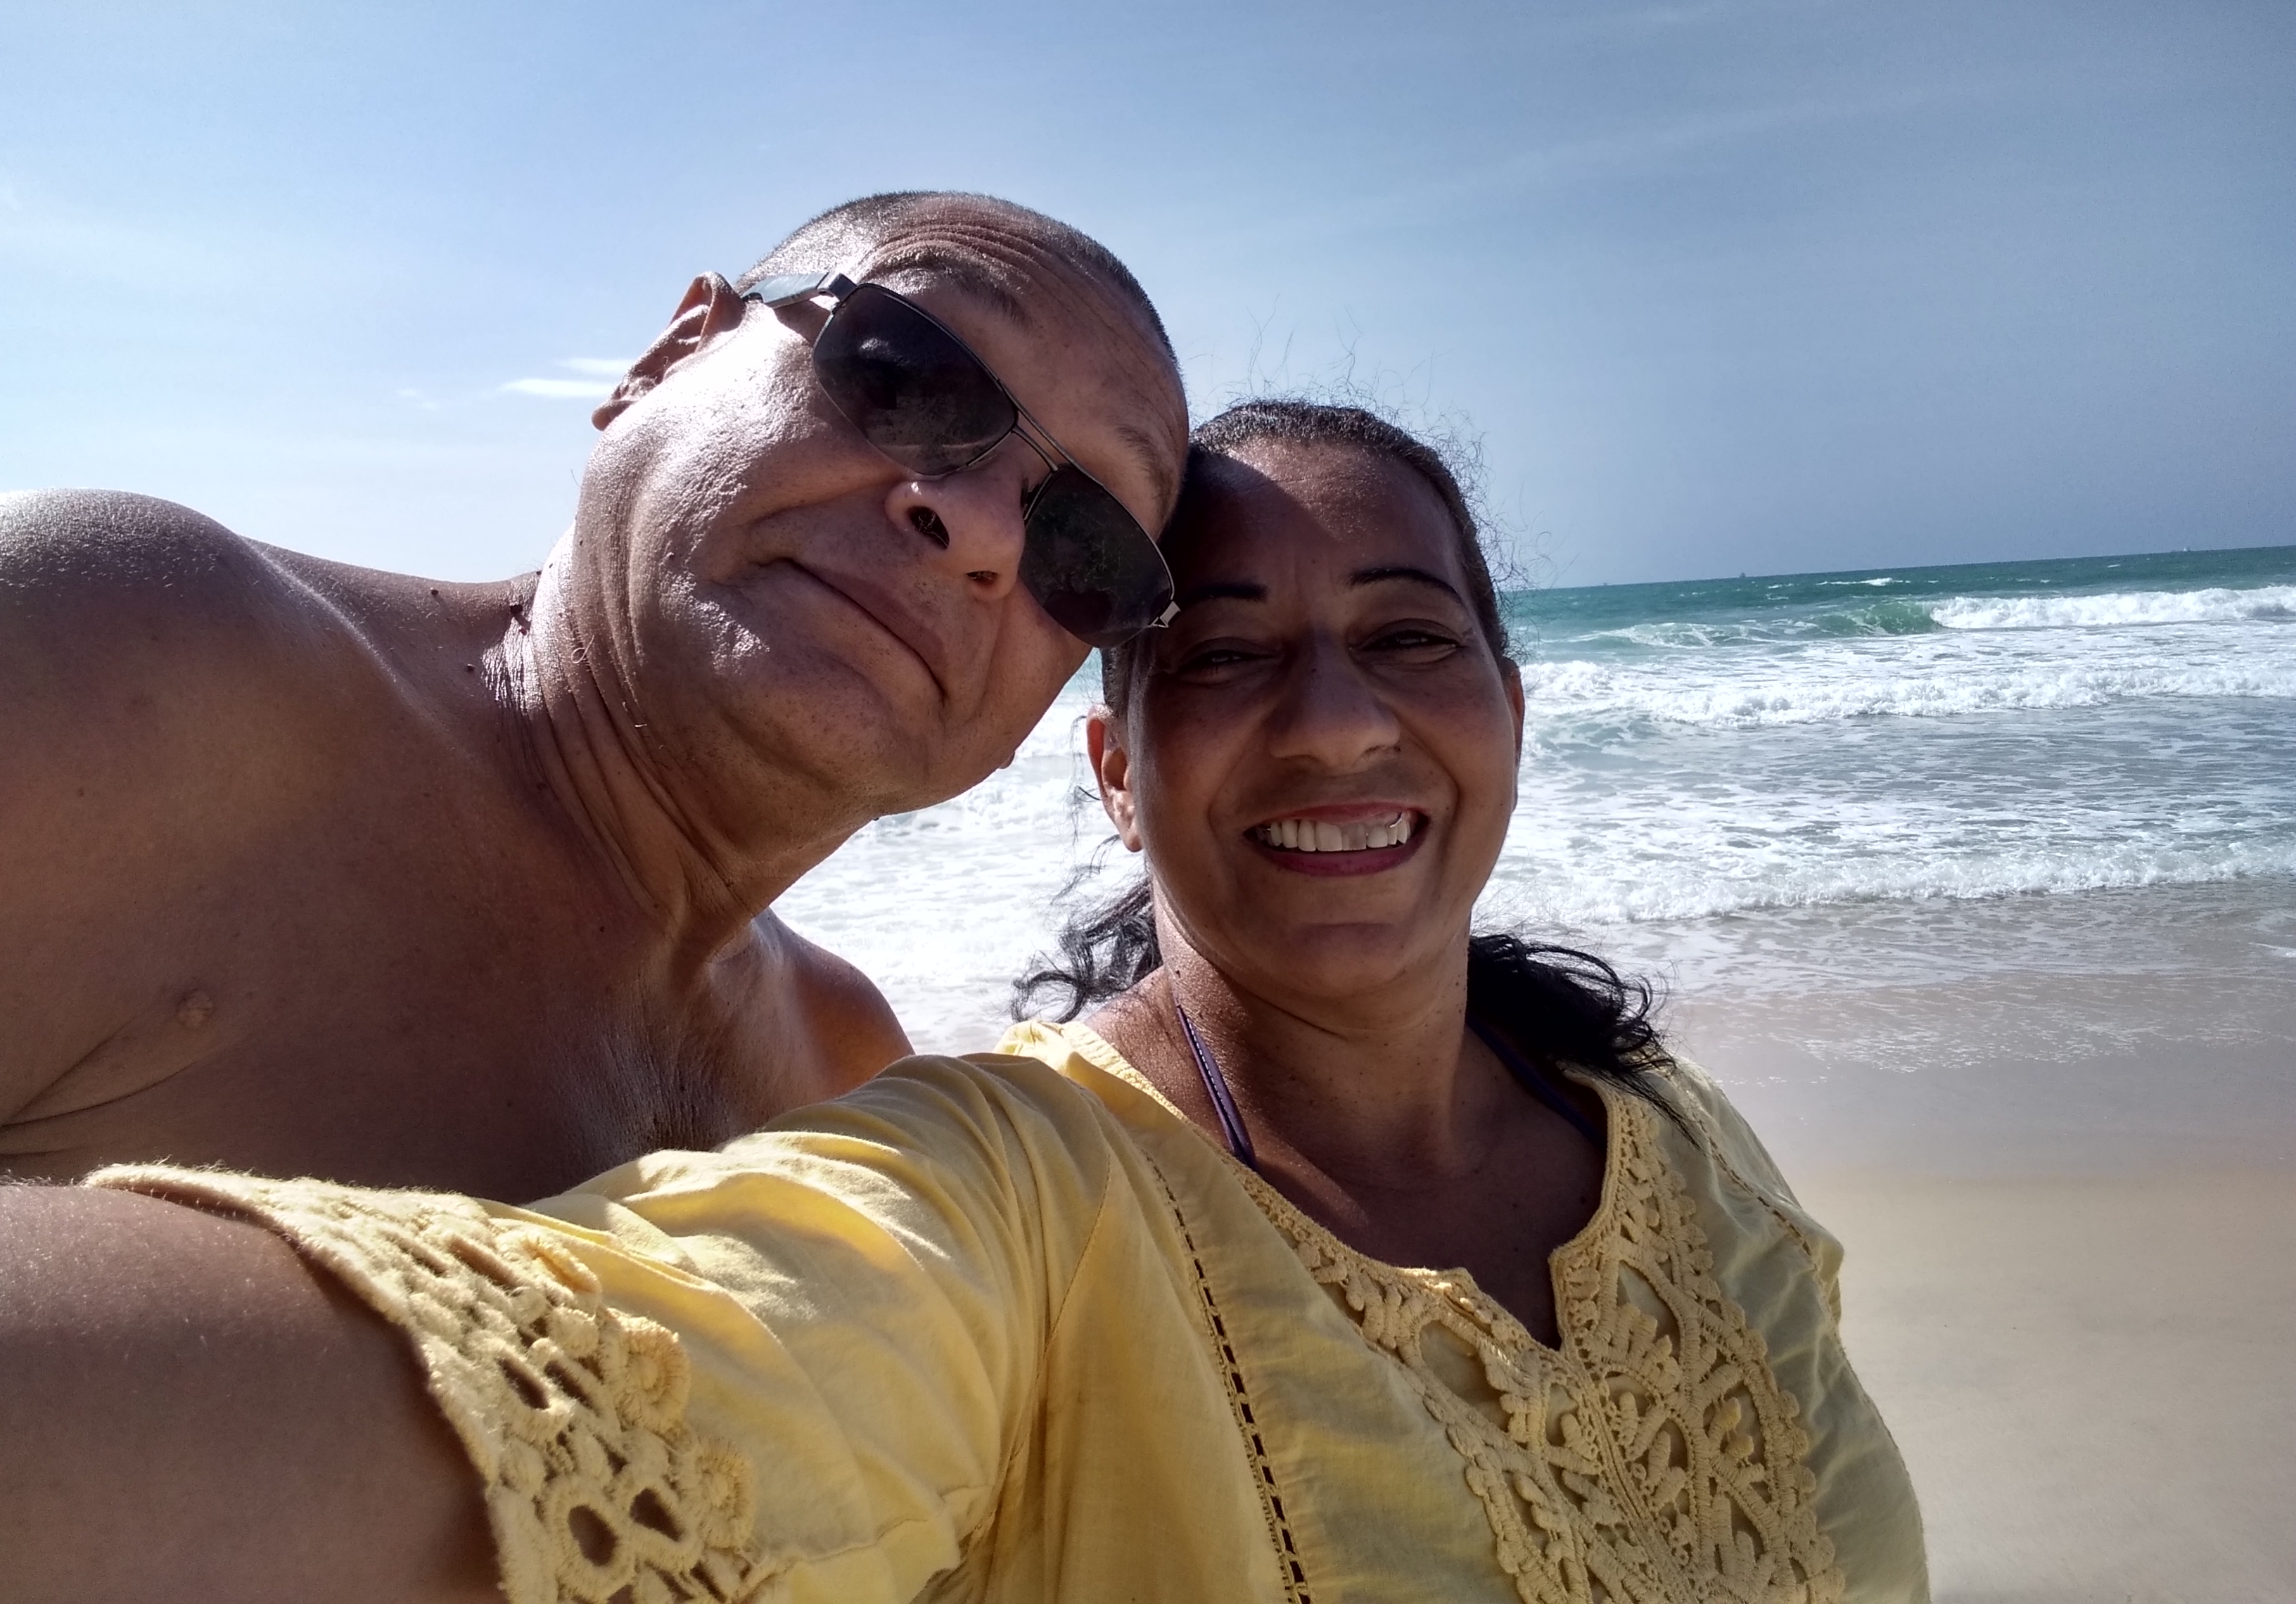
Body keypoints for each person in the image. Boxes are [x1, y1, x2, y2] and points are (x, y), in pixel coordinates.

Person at [0, 401, 1927, 1602]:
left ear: (1511, 709)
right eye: (1225, 656)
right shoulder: (1011, 1201)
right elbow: (597, 1375)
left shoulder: (1663, 1134)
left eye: (1410, 638)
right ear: (1116, 772)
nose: (1338, 722)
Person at [0, 191, 1188, 1199]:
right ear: (671, 355)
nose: (981, 531)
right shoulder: (126, 672)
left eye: (1085, 543)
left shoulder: (842, 1081)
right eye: (905, 372)